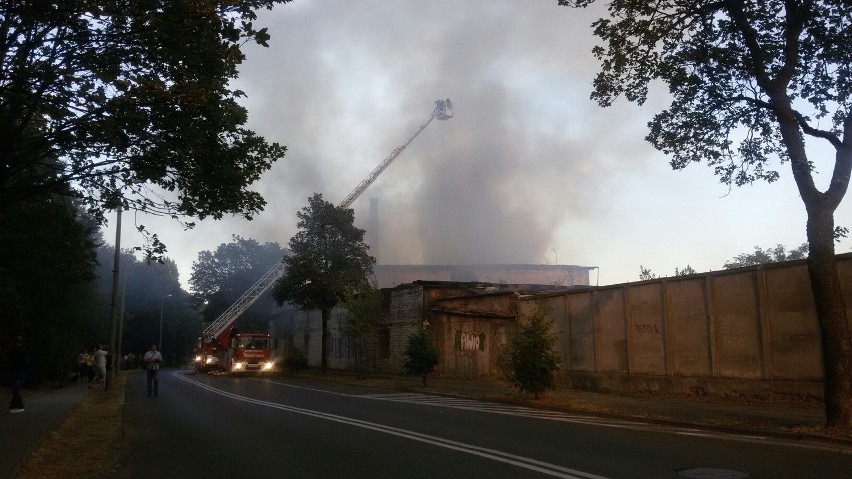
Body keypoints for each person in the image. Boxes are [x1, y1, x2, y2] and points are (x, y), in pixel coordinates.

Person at [8, 336, 27, 413]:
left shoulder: (14, 350)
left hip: (15, 372)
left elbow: (9, 357)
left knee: (15, 390)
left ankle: (20, 405)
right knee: (16, 390)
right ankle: (12, 406)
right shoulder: (24, 351)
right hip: (23, 372)